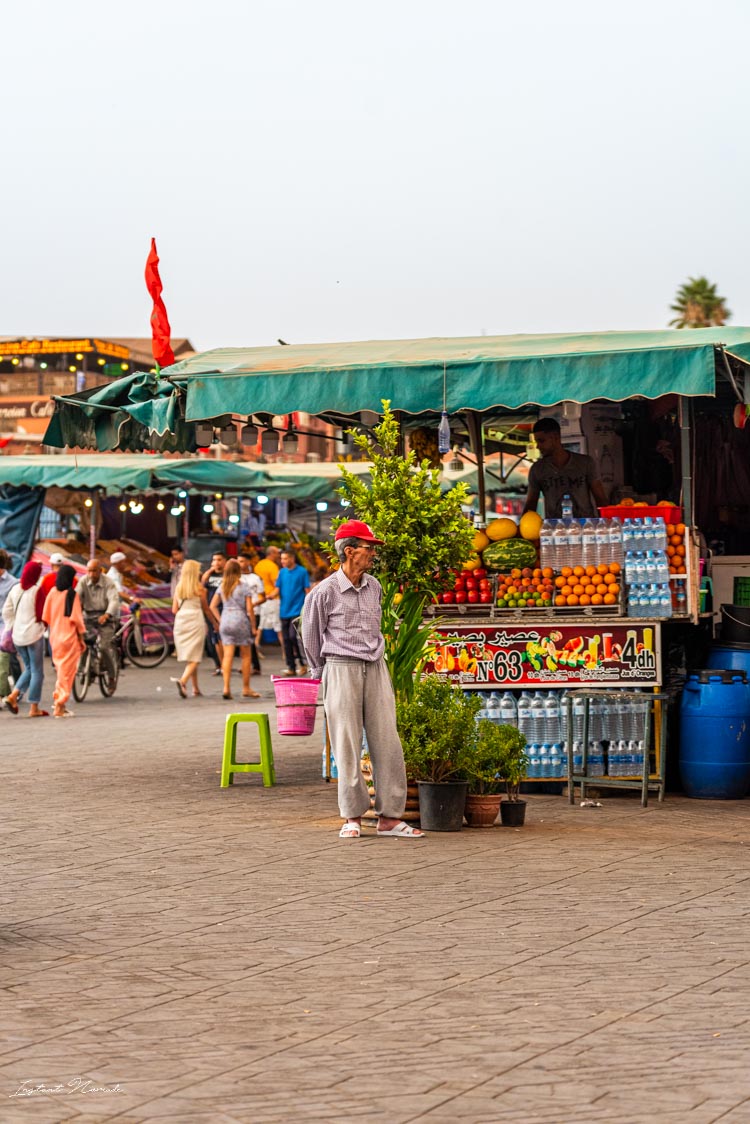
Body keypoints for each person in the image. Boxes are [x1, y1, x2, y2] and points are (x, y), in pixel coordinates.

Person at [302, 520, 423, 840]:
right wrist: (318, 672)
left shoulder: (375, 587)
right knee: (347, 743)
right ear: (350, 551)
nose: (373, 554)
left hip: (375, 665)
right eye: (369, 548)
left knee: (388, 741)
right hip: (340, 667)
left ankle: (390, 818)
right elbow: (310, 635)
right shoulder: (325, 592)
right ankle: (352, 816)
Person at [523, 417, 608, 519]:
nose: (538, 446)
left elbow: (600, 499)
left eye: (541, 441)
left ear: (555, 437)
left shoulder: (585, 463)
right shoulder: (537, 469)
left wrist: (606, 524)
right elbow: (530, 505)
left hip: (585, 527)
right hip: (555, 529)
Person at [2, 561, 49, 718]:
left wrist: (12, 626)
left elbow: (6, 611)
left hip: (18, 637)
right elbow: (44, 613)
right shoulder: (37, 590)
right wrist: (43, 627)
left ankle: (13, 696)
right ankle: (34, 707)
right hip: (34, 636)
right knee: (37, 672)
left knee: (29, 668)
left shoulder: (15, 589)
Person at [210, 559, 260, 700]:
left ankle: (226, 687)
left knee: (227, 656)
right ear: (239, 571)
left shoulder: (222, 586)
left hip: (226, 620)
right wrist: (253, 626)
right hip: (241, 620)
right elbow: (249, 608)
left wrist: (220, 620)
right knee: (246, 655)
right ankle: (246, 688)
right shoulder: (244, 586)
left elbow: (212, 606)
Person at [41, 564, 86, 718]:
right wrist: (82, 639)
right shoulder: (72, 595)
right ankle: (60, 704)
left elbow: (45, 616)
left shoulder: (53, 592)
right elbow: (77, 620)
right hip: (69, 638)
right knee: (67, 674)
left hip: (55, 637)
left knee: (61, 672)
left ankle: (60, 702)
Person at [170, 560, 218, 699]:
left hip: (180, 622)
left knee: (191, 656)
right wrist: (215, 623)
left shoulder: (179, 588)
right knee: (196, 656)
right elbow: (206, 610)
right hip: (195, 621)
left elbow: (174, 610)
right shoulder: (200, 589)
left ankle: (196, 689)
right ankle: (183, 681)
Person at [76, 559, 121, 670]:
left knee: (104, 647)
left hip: (105, 617)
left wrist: (107, 615)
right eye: (89, 571)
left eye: (94, 571)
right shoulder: (83, 581)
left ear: (100, 570)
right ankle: (84, 668)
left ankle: (111, 674)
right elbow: (76, 598)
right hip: (88, 616)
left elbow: (114, 600)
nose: (91, 574)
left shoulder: (108, 582)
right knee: (83, 643)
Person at [276, 549, 310, 677]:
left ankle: (303, 664)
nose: (283, 561)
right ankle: (291, 666)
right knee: (286, 639)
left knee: (293, 637)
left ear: (292, 558)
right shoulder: (282, 572)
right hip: (284, 610)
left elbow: (307, 590)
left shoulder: (302, 572)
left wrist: (309, 607)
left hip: (297, 610)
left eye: (285, 558)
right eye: (282, 559)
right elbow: (277, 589)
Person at [201, 552, 227, 675]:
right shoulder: (209, 576)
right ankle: (220, 665)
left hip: (225, 609)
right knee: (214, 640)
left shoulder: (228, 575)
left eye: (219, 560)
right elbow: (202, 592)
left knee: (224, 639)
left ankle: (226, 664)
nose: (216, 562)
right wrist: (205, 576)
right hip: (211, 611)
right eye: (214, 560)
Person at [255, 546, 283, 654]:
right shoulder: (272, 567)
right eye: (277, 553)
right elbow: (277, 584)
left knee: (260, 625)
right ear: (271, 553)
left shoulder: (259, 564)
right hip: (272, 598)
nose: (278, 556)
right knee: (278, 626)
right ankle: (286, 651)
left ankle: (256, 645)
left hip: (261, 598)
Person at [238, 555, 265, 671]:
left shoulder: (255, 578)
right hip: (240, 612)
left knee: (250, 639)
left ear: (248, 562)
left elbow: (263, 597)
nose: (240, 564)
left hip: (254, 612)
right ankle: (248, 663)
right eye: (238, 561)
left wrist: (254, 604)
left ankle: (252, 664)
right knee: (243, 640)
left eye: (242, 561)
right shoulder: (236, 578)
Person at [0, 549, 20, 699]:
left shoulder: (13, 583)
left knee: (10, 660)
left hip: (6, 627)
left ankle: (19, 688)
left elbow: (16, 607)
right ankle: (4, 692)